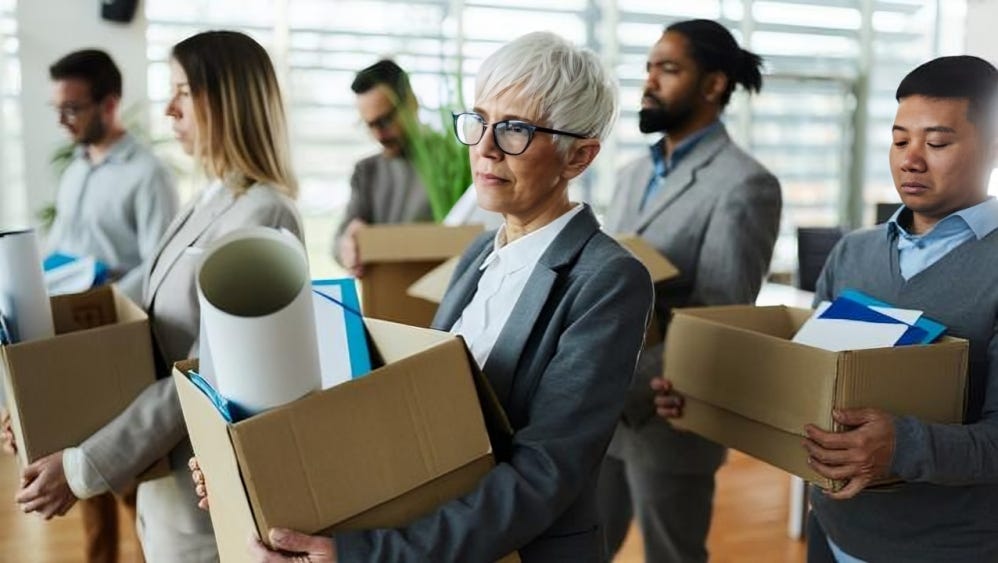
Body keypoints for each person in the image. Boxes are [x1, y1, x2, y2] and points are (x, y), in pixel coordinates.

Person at [195, 31, 654, 562]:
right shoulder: (477, 255)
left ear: (579, 158)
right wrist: (250, 473)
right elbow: (413, 418)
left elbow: (545, 473)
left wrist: (370, 554)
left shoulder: (609, 279)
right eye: (479, 120)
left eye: (514, 130)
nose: (483, 147)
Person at [10, 30, 304, 563]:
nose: (168, 109)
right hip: (162, 480)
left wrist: (83, 466)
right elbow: (142, 334)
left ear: (227, 99)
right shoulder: (207, 199)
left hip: (202, 495)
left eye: (183, 92)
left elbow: (205, 371)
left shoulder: (263, 214)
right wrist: (43, 413)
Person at [799, 56, 998, 562]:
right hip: (832, 528)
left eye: (936, 143)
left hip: (945, 548)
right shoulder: (853, 252)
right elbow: (811, 379)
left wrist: (902, 446)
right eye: (899, 140)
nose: (911, 159)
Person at [598, 19, 782, 563]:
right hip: (605, 410)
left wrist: (623, 386)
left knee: (672, 556)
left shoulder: (745, 184)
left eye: (669, 69)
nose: (649, 81)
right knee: (584, 547)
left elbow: (718, 318)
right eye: (649, 67)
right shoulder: (632, 175)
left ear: (713, 85)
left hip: (667, 411)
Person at [46, 49, 178, 304]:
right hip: (63, 313)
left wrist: (107, 305)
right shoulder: (75, 169)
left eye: (71, 109)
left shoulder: (149, 175)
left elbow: (159, 264)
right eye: (57, 109)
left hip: (110, 319)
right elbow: (60, 243)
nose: (61, 121)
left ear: (109, 105)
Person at [333, 59, 434, 277]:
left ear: (411, 103)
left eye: (385, 120)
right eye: (370, 125)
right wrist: (348, 244)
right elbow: (338, 242)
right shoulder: (366, 171)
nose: (379, 135)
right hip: (384, 302)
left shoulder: (455, 164)